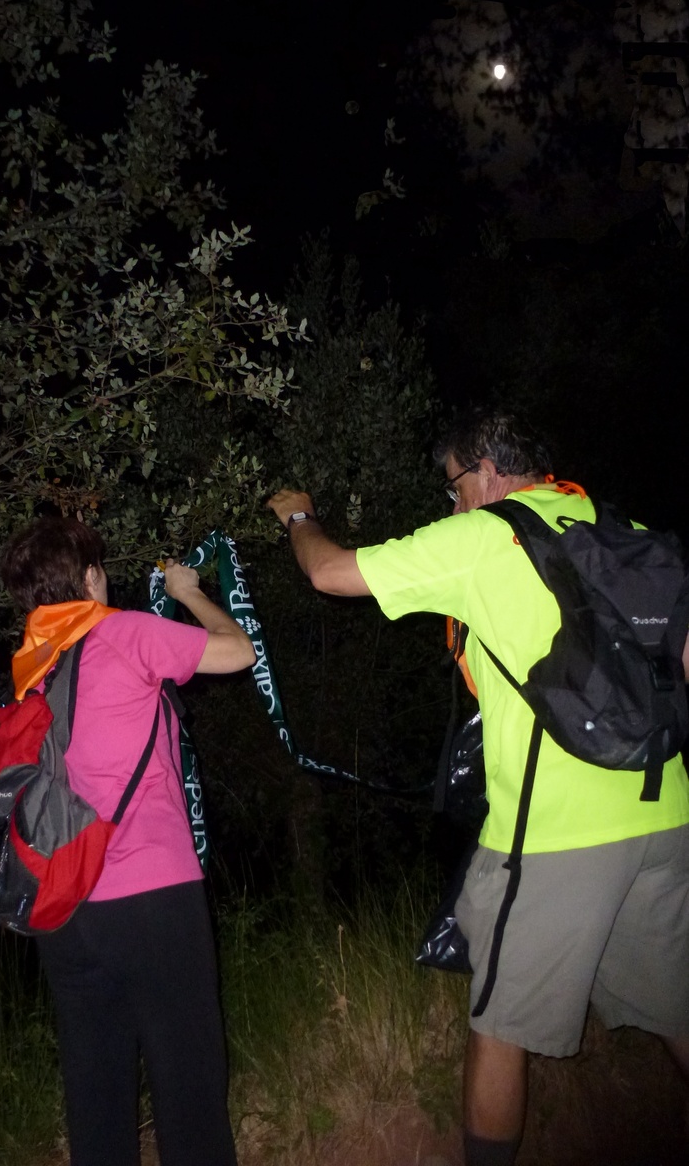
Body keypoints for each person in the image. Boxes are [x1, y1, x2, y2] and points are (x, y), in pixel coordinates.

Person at [267, 409, 689, 1166]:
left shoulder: (485, 537)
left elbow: (330, 571)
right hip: (664, 808)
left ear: (488, 472)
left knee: (500, 1025)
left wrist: (300, 516)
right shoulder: (615, 526)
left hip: (554, 833)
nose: (453, 501)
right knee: (680, 1007)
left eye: (454, 485)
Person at [0, 516, 253, 1166]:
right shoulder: (124, 633)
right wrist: (189, 592)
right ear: (89, 578)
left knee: (96, 1094)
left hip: (65, 912)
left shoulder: (32, 671)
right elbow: (236, 651)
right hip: (151, 900)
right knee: (189, 1086)